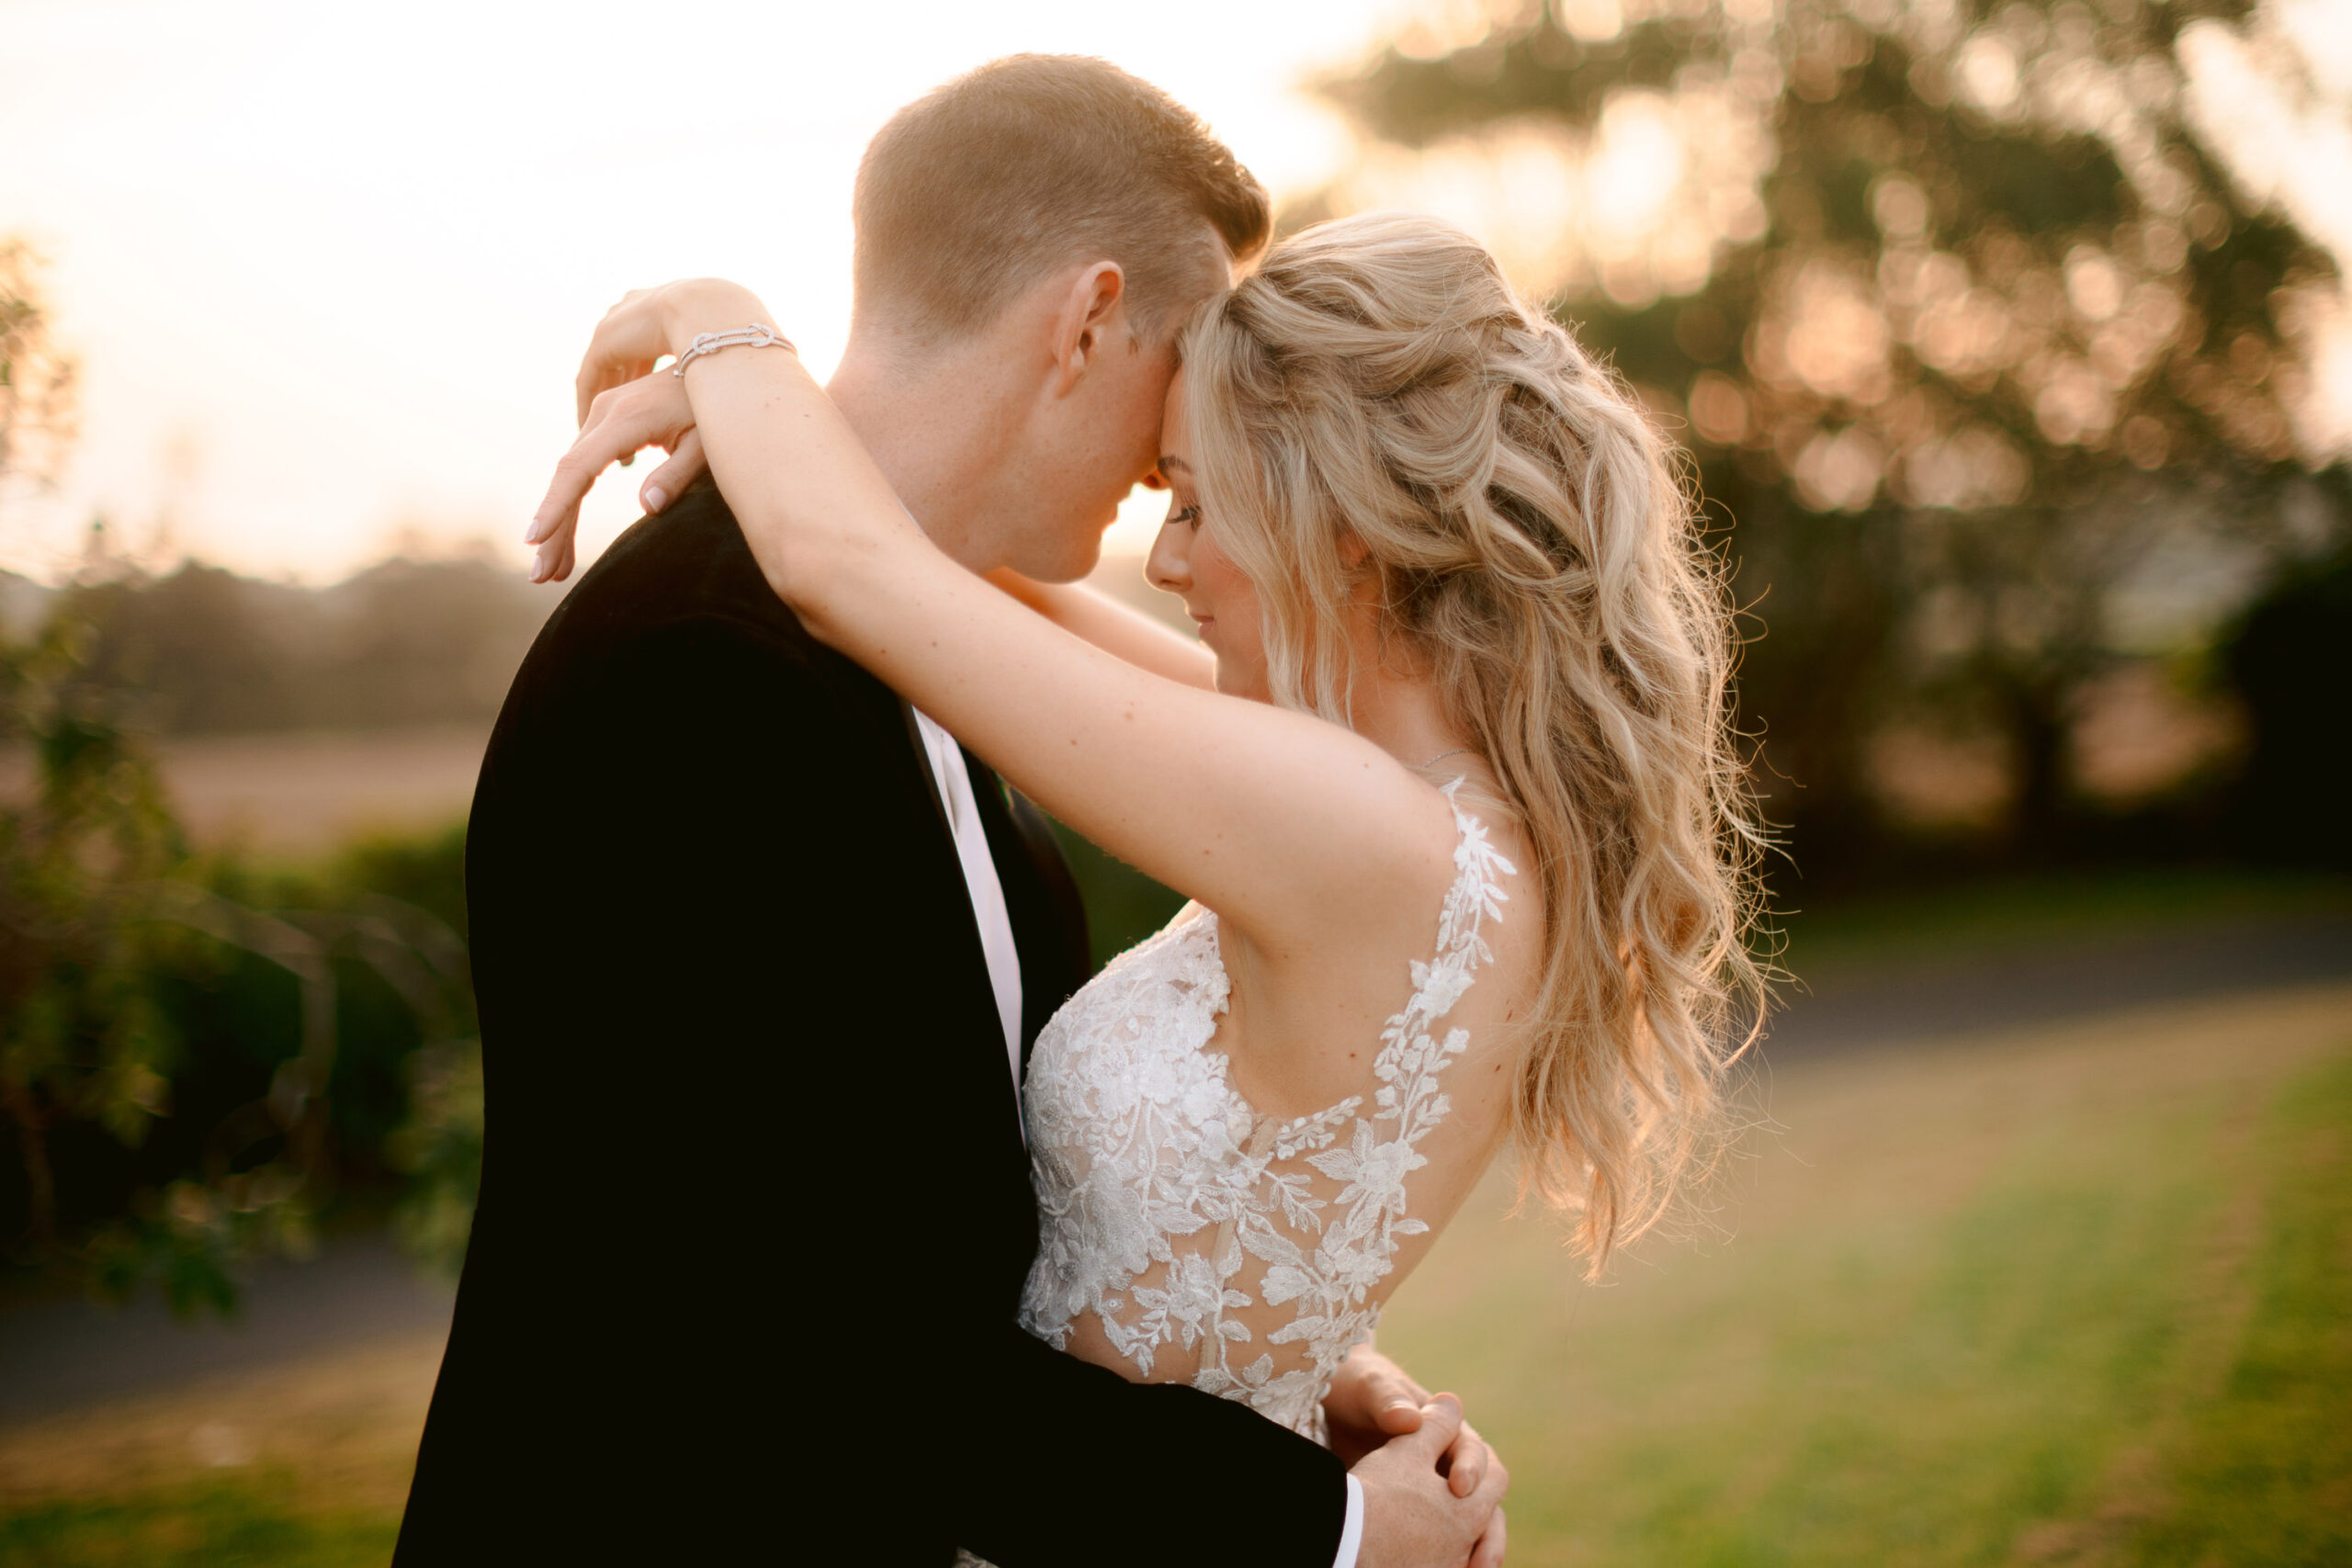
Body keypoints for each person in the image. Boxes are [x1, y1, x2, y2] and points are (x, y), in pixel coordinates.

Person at [526, 203, 1766, 1567]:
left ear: (1342, 528)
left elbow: (858, 570)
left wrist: (720, 323)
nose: (1166, 560)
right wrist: (783, 439)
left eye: (1193, 499)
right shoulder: (1415, 803)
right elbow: (960, 570)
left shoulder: (1356, 830)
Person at [396, 56, 1507, 1568]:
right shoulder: (703, 675)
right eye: (1178, 368)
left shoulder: (933, 660)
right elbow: (805, 1346)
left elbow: (972, 1222)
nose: (1180, 449)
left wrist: (1278, 1352)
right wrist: (1317, 1532)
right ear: (1088, 321)